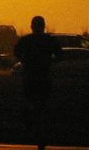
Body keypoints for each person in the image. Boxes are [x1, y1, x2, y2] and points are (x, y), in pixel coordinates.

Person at [14, 15, 62, 149]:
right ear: (44, 26)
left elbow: (16, 51)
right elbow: (60, 55)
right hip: (44, 77)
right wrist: (50, 61)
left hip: (30, 77)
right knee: (43, 106)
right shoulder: (49, 40)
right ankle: (41, 132)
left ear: (32, 26)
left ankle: (32, 127)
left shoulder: (26, 40)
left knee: (31, 104)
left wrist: (25, 60)